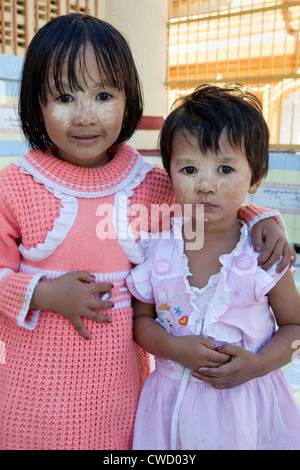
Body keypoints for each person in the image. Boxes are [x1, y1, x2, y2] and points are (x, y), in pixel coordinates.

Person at [0, 14, 293, 450]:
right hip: (35, 393)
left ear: (128, 97)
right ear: (35, 104)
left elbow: (207, 202)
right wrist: (42, 294)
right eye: (63, 96)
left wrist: (258, 216)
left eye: (103, 95)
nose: (85, 115)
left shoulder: (149, 184)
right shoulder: (16, 186)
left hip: (122, 395)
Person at [127, 84, 300, 450]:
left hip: (247, 412)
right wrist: (175, 348)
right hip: (169, 411)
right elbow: (140, 321)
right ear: (168, 175)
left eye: (225, 168)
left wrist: (257, 364)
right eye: (189, 168)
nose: (205, 184)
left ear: (255, 176)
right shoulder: (156, 247)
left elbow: (296, 328)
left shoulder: (263, 253)